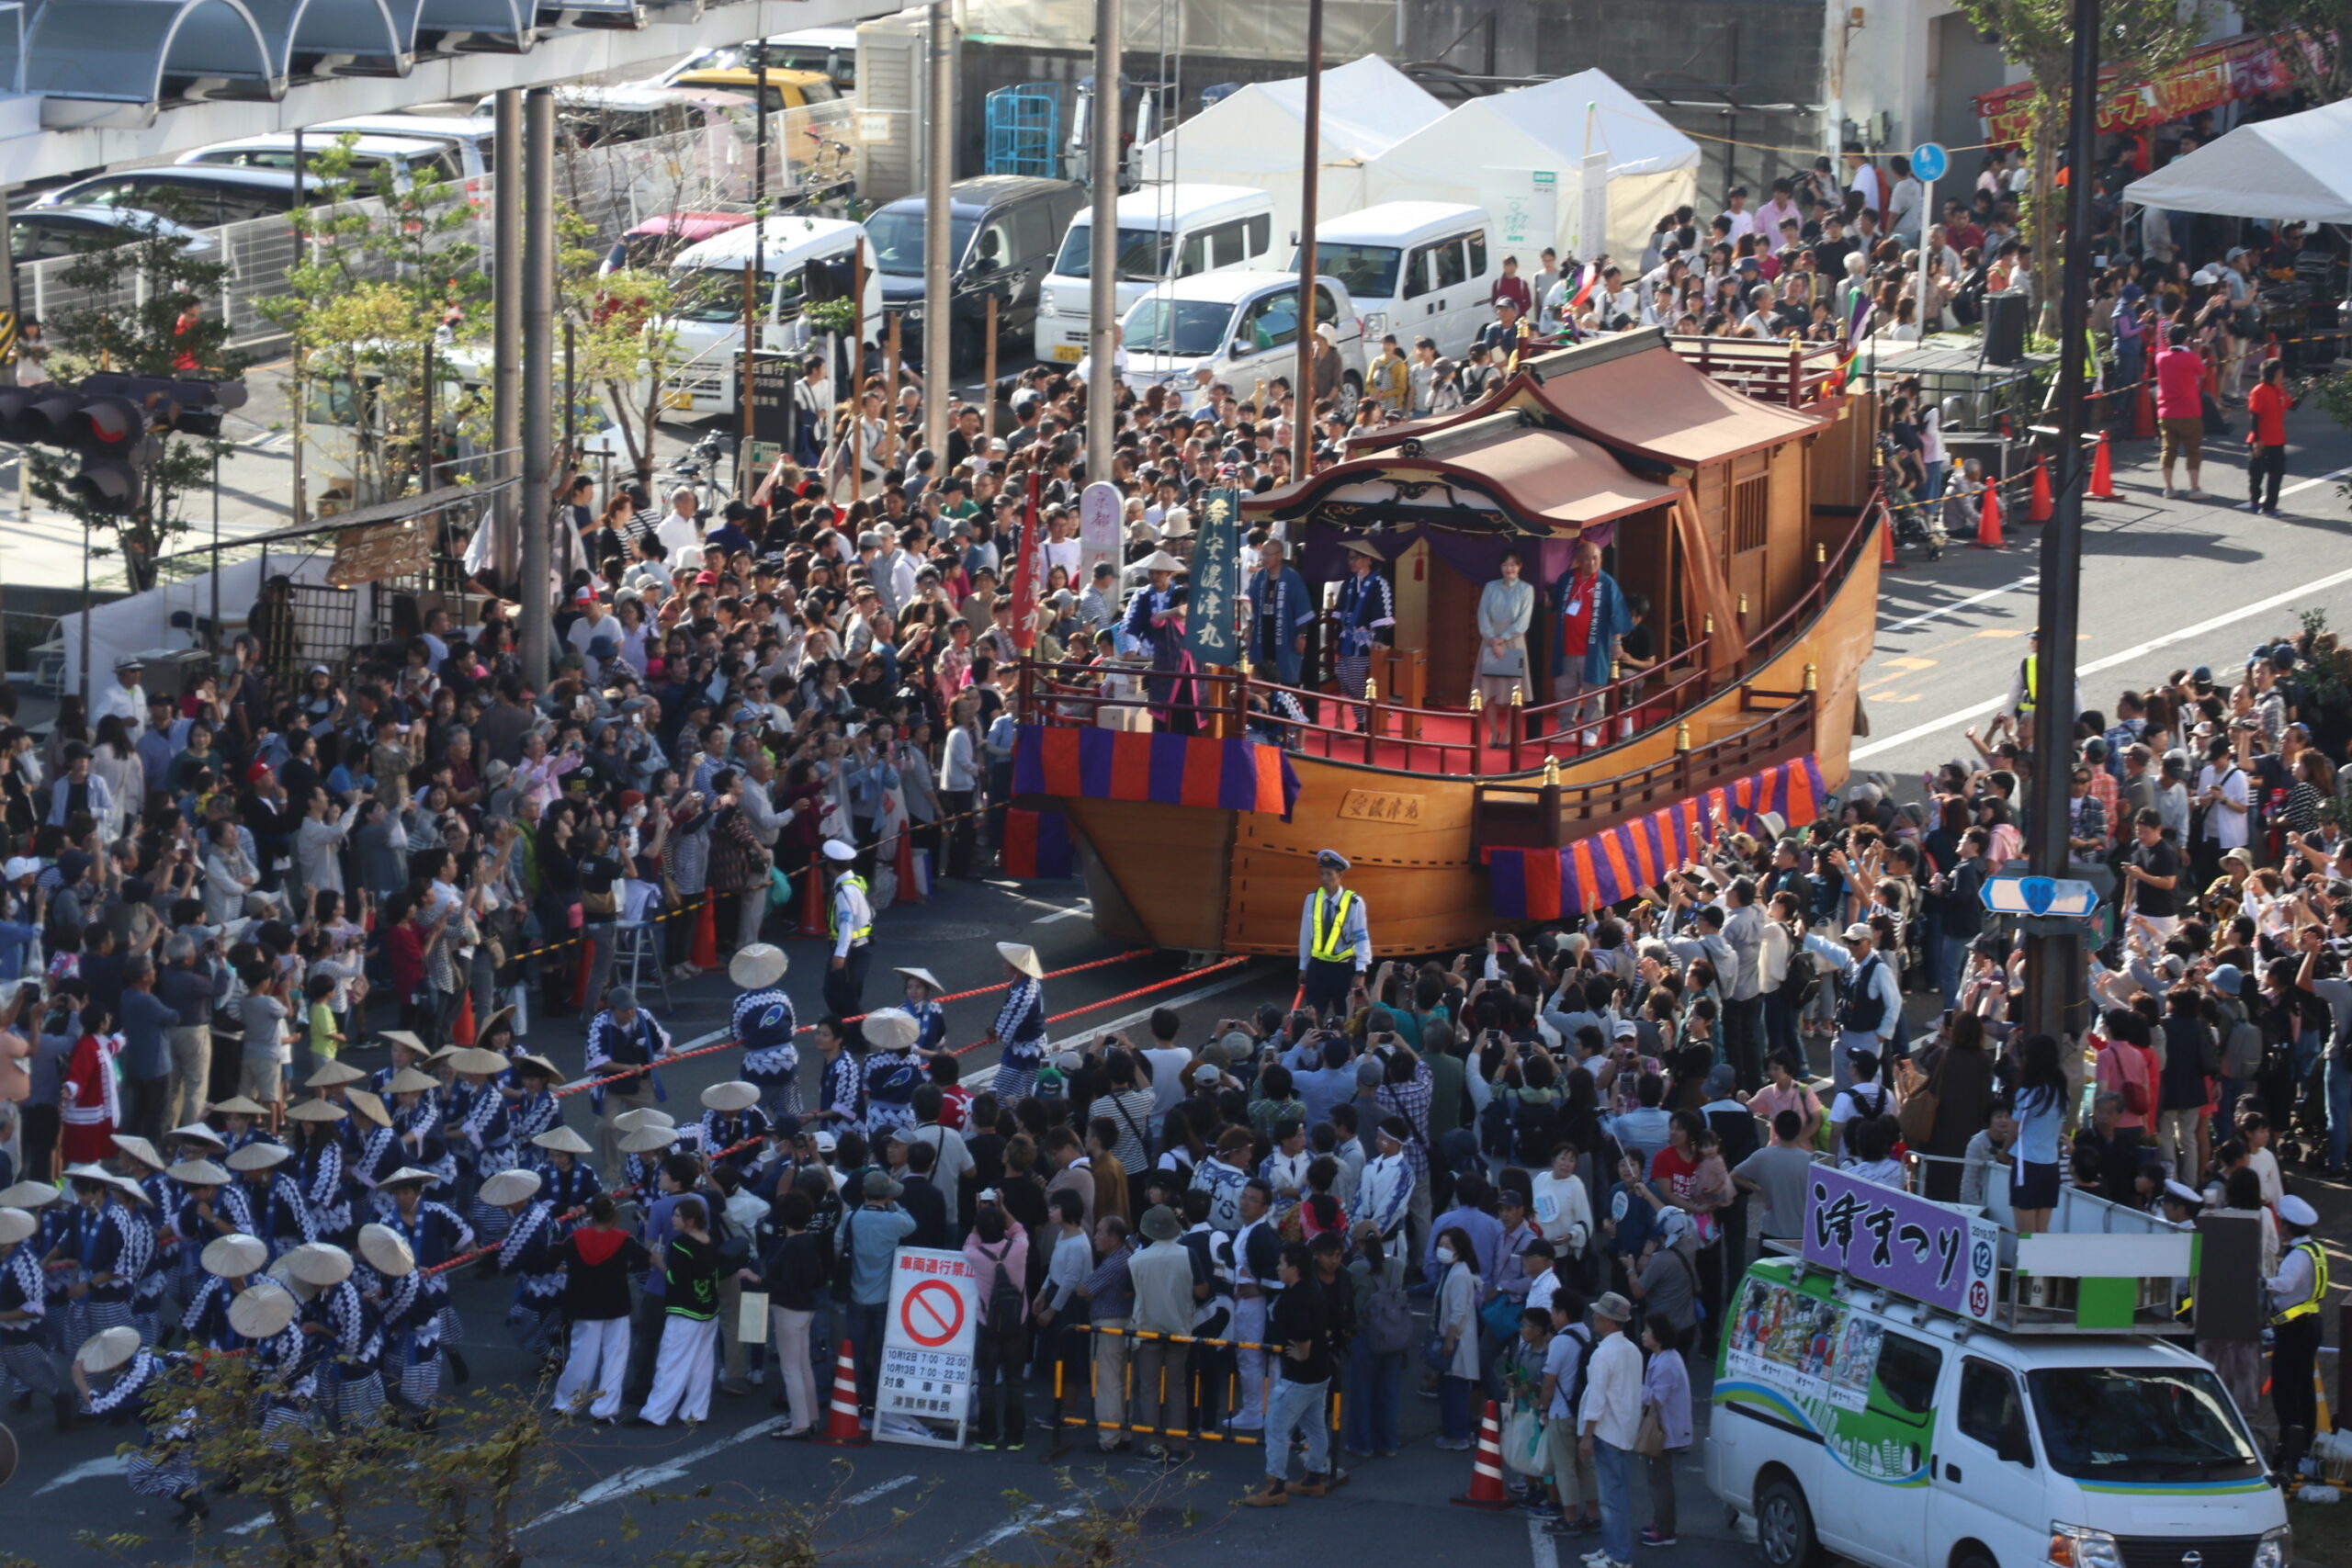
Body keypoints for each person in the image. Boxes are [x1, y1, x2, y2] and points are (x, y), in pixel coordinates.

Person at [1243, 1242, 1339, 1506]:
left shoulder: (1297, 1296)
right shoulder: (1312, 1289)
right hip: (1320, 1372)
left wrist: (1302, 1352)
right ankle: (1314, 1478)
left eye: (1282, 1263)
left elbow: (1302, 1331)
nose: (1278, 1268)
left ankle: (1275, 1486)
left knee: (1275, 1426)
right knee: (1315, 1426)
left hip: (1300, 1376)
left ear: (1294, 1268)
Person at [632, 1195, 729, 1428]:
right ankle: (695, 1411)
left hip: (684, 1311)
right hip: (708, 1309)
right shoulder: (710, 1240)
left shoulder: (679, 1245)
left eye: (677, 1216)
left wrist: (658, 1262)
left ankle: (654, 1414)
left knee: (670, 1362)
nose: (673, 1219)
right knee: (702, 1364)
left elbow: (674, 1279)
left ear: (690, 1220)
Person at [1577, 1292, 1643, 1568]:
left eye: (1598, 1314)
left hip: (1606, 1431)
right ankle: (1612, 1548)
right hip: (1625, 1431)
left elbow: (1596, 1398)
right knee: (1616, 1496)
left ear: (1608, 1320)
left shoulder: (1603, 1353)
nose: (1593, 1317)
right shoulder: (1633, 1350)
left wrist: (1587, 1435)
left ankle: (1619, 1557)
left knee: (1610, 1500)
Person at [2267, 1192, 2325, 1482]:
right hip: (2308, 1325)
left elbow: (2286, 1285)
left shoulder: (2298, 1255)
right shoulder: (2314, 1250)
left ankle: (2291, 1452)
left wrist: (2263, 1282)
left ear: (2288, 1226)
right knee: (2303, 1390)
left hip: (2295, 1330)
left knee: (2285, 1392)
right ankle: (2304, 1448)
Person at [963, 1193, 1028, 1450]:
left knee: (987, 1381)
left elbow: (972, 1239)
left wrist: (979, 1215)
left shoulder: (974, 1255)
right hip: (1017, 1324)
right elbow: (1018, 1229)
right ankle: (1016, 1437)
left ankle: (987, 1435)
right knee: (1015, 1381)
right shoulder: (1020, 1248)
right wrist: (1002, 1207)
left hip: (988, 1325)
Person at [1550, 539, 1629, 740]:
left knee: (1595, 689)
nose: (1591, 562)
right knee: (1565, 689)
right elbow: (1556, 602)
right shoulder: (1566, 579)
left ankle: (1591, 730)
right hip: (1567, 647)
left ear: (1601, 559)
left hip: (1595, 649)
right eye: (1586, 558)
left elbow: (1617, 614)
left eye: (1595, 558)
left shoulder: (1606, 583)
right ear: (1578, 560)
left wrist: (1616, 642)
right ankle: (1566, 729)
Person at [1636, 1316, 1693, 1548]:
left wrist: (1633, 1388)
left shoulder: (1666, 1363)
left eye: (1647, 1330)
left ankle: (1665, 1529)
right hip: (1664, 1428)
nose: (1643, 1334)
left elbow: (1656, 1398)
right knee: (1657, 1478)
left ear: (1658, 1336)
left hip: (1664, 1430)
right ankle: (1660, 1521)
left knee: (1659, 1480)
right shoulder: (1662, 1357)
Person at [1298, 849, 1371, 1021]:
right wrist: (1303, 964)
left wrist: (1361, 971)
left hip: (1343, 970)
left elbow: (1361, 937)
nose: (1324, 879)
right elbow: (1306, 933)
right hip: (1317, 968)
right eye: (1322, 874)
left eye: (1329, 874)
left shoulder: (1354, 902)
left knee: (1345, 1018)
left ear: (1340, 875)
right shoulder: (1312, 899)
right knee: (1313, 1017)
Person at [1330, 540, 1394, 728]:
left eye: (1354, 558)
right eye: (1349, 558)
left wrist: (1379, 639)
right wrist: (1335, 636)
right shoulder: (1348, 582)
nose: (1350, 562)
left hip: (1366, 640)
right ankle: (1362, 719)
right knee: (1343, 676)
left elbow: (1382, 613)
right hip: (1347, 638)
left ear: (1368, 560)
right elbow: (1340, 609)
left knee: (1360, 680)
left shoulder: (1378, 583)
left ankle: (1371, 718)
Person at [1476, 550, 1535, 747]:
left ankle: (1510, 732)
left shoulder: (1526, 589)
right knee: (1488, 690)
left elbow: (1523, 621)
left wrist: (1503, 639)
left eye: (1513, 565)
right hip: (1490, 642)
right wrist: (1492, 639)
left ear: (1520, 567)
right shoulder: (1490, 587)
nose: (1509, 569)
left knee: (1514, 692)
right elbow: (1483, 614)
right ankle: (1493, 731)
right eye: (1505, 565)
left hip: (1514, 641)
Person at [1431, 1223, 1482, 1450]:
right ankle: (1455, 1432)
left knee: (1456, 1391)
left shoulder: (1459, 1274)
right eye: (1440, 1245)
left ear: (1459, 1249)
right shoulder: (1451, 1271)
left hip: (1456, 1342)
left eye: (1448, 1245)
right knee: (1450, 1388)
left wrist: (1450, 1339)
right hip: (1451, 1340)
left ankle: (1459, 1436)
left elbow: (1458, 1312)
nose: (1443, 1249)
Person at [978, 944, 1047, 1103]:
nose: (1003, 965)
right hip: (1030, 1043)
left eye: (1006, 962)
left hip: (1026, 1050)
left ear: (1017, 968)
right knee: (1025, 1090)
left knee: (1002, 1094)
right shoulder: (1028, 983)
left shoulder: (1022, 997)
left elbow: (999, 1031)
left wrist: (991, 1032)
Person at [820, 840, 873, 1033]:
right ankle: (849, 1033)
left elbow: (846, 924)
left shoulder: (844, 891)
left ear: (831, 866)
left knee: (838, 995)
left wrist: (840, 954)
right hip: (861, 947)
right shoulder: (855, 882)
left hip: (851, 950)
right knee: (847, 995)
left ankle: (856, 1037)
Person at [2153, 322, 2205, 499]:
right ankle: (2194, 488)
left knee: (2168, 449)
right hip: (2189, 410)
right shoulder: (2190, 358)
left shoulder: (2160, 358)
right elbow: (2201, 371)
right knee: (2193, 450)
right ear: (2185, 339)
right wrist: (2196, 351)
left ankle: (2168, 487)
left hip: (2166, 411)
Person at [2245, 358, 2288, 516]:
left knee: (2277, 474)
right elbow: (2254, 416)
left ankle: (2270, 505)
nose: (2283, 374)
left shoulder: (2279, 389)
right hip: (2261, 441)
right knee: (2256, 475)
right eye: (2281, 371)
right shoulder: (2258, 391)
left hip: (2278, 440)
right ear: (2276, 373)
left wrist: (2306, 390)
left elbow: (2291, 405)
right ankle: (2255, 500)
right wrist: (2256, 440)